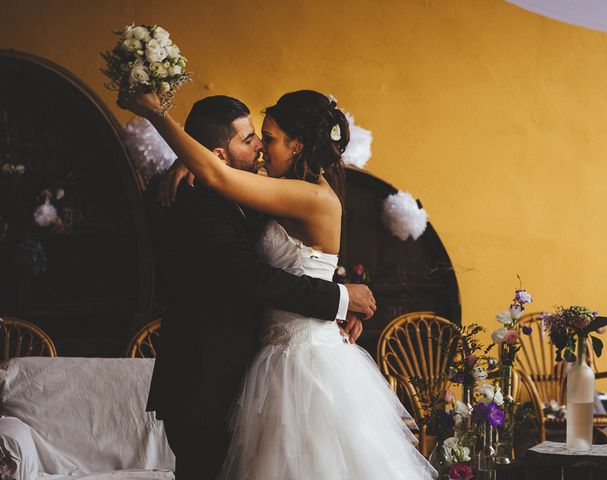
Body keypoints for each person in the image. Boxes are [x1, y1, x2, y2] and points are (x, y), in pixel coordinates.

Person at [118, 90, 435, 479]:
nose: (260, 149)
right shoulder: (245, 193)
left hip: (302, 364)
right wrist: (340, 298)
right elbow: (264, 258)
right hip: (222, 375)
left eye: (265, 138)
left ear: (297, 144)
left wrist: (158, 115)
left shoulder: (305, 195)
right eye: (251, 139)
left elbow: (221, 177)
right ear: (219, 152)